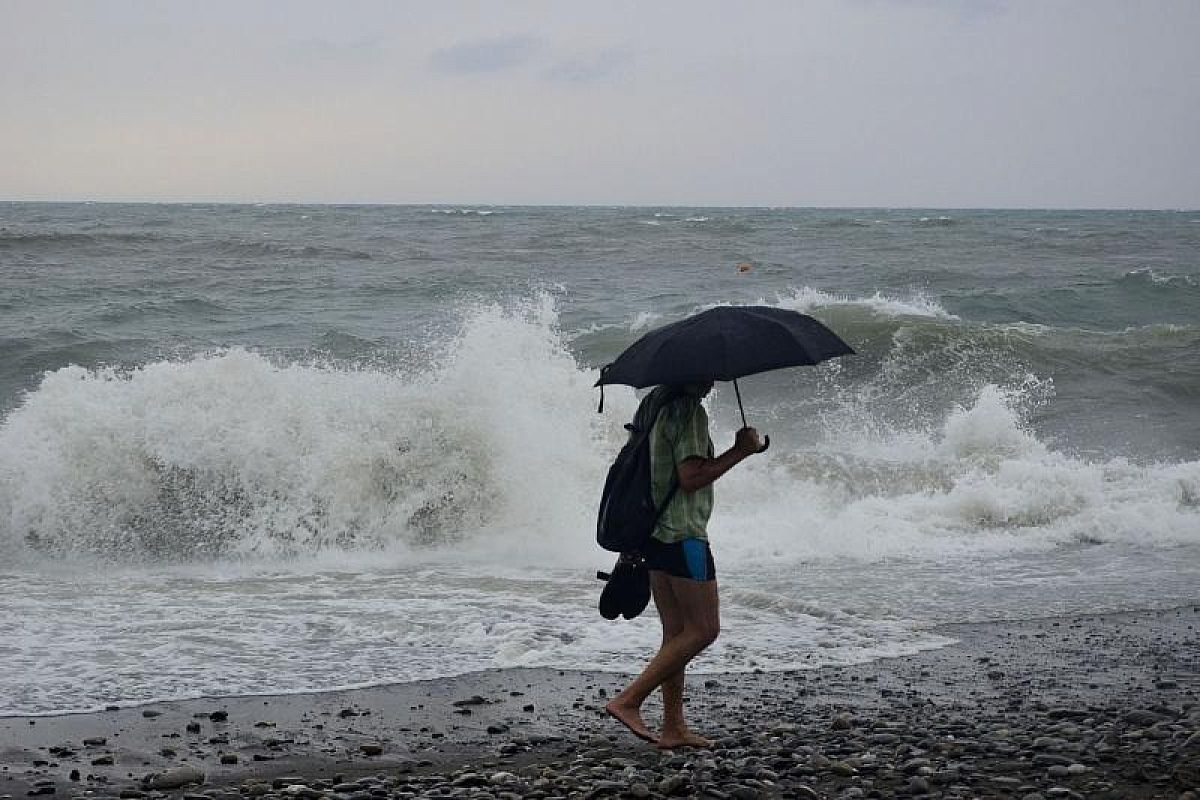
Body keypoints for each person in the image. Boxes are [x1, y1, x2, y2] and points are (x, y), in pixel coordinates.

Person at [605, 381, 763, 748]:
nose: (711, 381)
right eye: (707, 373)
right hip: (683, 533)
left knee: (676, 634)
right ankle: (628, 701)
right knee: (704, 629)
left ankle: (673, 728)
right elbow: (691, 478)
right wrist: (741, 451)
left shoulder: (654, 402)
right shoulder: (688, 409)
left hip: (653, 530)